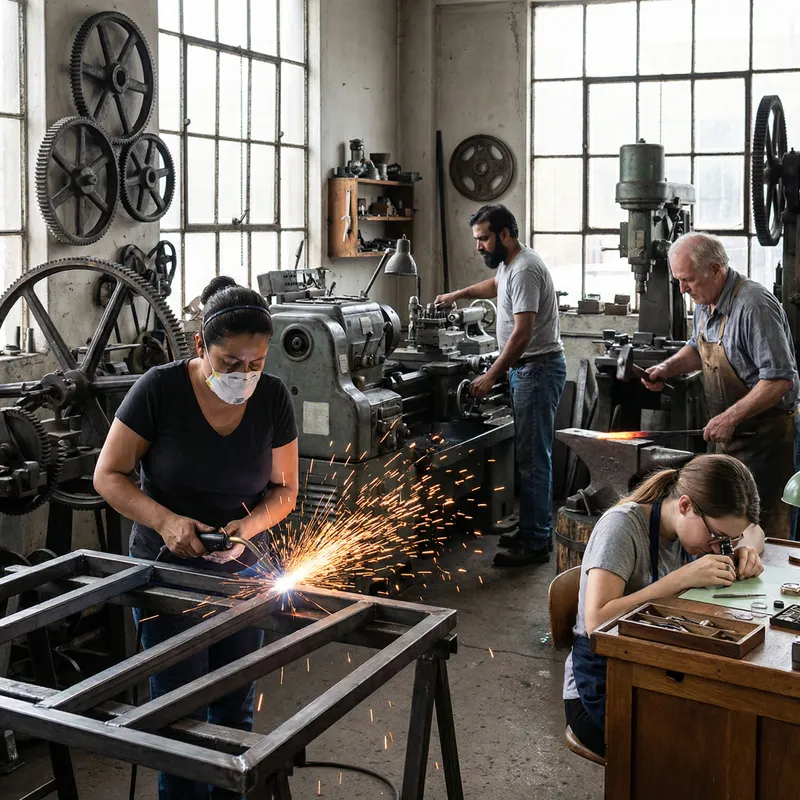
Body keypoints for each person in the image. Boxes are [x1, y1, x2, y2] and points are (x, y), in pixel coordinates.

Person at [94, 276, 299, 800]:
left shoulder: (272, 398)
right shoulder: (159, 390)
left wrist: (246, 529)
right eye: (231, 364)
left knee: (232, 706)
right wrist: (166, 521)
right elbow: (109, 476)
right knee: (179, 710)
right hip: (168, 574)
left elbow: (285, 490)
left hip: (242, 573)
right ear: (199, 348)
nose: (245, 376)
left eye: (256, 364)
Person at [562, 454, 764, 758]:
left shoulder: (695, 531)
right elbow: (596, 620)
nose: (718, 547)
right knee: (694, 749)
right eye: (717, 537)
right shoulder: (622, 527)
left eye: (727, 540)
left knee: (735, 726)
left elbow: (755, 532)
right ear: (685, 506)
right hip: (601, 679)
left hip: (657, 662)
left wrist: (747, 548)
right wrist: (678, 580)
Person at [435, 204, 565, 567]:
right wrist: (456, 295)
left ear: (505, 234)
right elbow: (495, 285)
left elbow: (522, 334)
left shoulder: (524, 269)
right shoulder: (512, 264)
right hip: (527, 370)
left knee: (534, 460)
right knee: (529, 457)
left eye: (484, 239)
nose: (479, 246)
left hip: (536, 370)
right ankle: (531, 530)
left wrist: (490, 374)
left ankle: (536, 542)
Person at [644, 232, 799, 538]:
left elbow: (781, 378)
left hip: (766, 441)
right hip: (730, 437)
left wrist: (730, 417)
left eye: (688, 279)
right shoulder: (705, 300)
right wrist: (666, 368)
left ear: (716, 269)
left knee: (766, 529)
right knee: (729, 525)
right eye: (678, 279)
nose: (682, 288)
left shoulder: (754, 306)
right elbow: (695, 347)